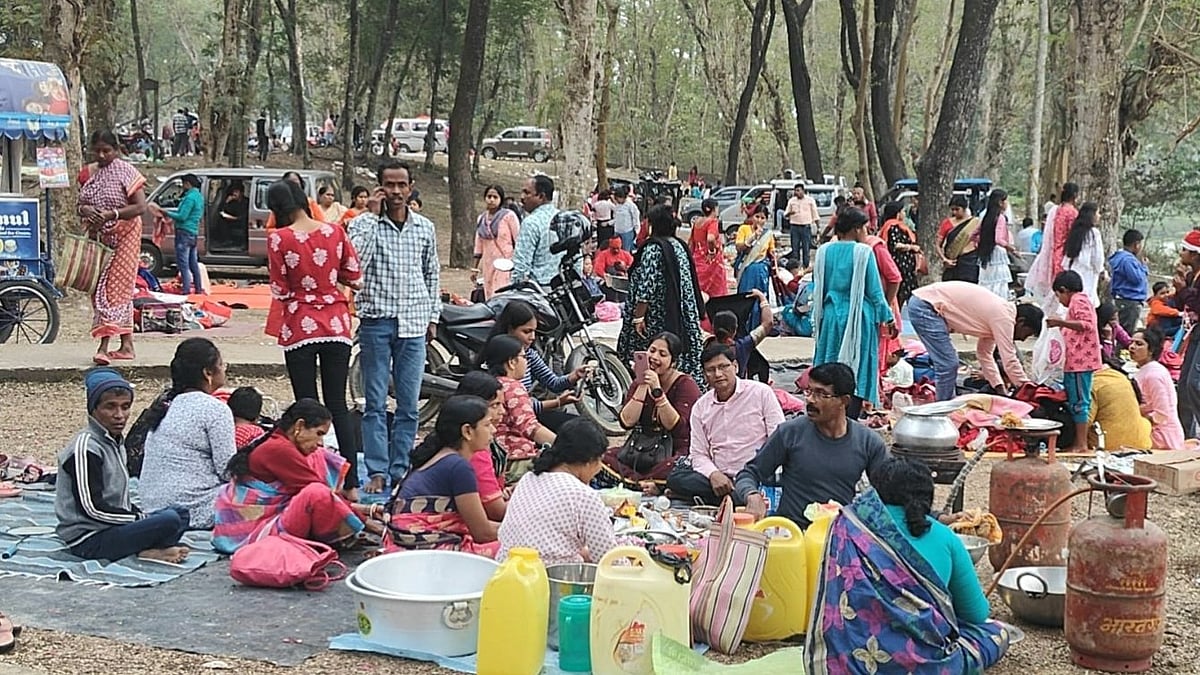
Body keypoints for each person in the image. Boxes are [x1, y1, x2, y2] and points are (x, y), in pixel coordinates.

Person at [805, 456, 1010, 673]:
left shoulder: (847, 527)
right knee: (996, 632)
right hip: (922, 664)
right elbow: (976, 614)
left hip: (849, 663)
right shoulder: (945, 537)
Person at [267, 180, 364, 499]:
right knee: (337, 402)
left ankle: (311, 482)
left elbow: (280, 289)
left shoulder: (279, 239)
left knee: (306, 405)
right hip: (336, 323)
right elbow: (355, 276)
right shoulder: (335, 231)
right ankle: (351, 485)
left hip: (299, 327)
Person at [348, 161, 440, 494]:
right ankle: (376, 469)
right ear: (380, 187)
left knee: (409, 404)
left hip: (414, 323)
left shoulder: (424, 228)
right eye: (390, 185)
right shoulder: (362, 224)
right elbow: (355, 265)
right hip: (376, 321)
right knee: (373, 402)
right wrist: (372, 216)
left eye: (402, 185)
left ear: (411, 185)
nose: (397, 192)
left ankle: (400, 467)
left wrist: (433, 316)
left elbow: (432, 274)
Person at [213, 400, 386, 554]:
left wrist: (365, 510)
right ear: (299, 426)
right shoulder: (279, 449)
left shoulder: (282, 443)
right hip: (255, 529)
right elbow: (321, 494)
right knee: (316, 492)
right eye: (319, 434)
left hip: (273, 517)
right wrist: (371, 526)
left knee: (320, 457)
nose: (320, 442)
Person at [55, 368, 190, 563]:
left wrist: (137, 516)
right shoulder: (85, 448)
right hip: (88, 538)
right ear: (93, 409)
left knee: (180, 513)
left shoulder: (116, 442)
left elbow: (119, 499)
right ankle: (146, 550)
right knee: (169, 520)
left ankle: (145, 549)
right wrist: (138, 519)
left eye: (125, 407)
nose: (119, 415)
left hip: (115, 526)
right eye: (110, 407)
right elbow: (91, 509)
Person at [738, 363, 889, 526]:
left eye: (821, 394)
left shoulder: (868, 442)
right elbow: (749, 474)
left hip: (839, 533)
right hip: (792, 532)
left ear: (844, 401)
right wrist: (752, 495)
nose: (810, 399)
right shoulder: (790, 432)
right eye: (808, 391)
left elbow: (888, 492)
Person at [665, 344, 784, 506]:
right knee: (676, 478)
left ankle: (728, 498)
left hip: (756, 474)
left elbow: (778, 439)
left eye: (723, 367)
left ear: (735, 366)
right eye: (711, 370)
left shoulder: (761, 393)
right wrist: (714, 474)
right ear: (704, 375)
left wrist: (756, 473)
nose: (718, 374)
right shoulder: (701, 407)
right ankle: (731, 498)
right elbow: (698, 454)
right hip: (721, 479)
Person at [137, 338, 237, 529]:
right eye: (222, 365)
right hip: (191, 509)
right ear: (208, 373)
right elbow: (228, 471)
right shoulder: (215, 409)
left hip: (152, 506)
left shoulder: (167, 403)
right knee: (266, 491)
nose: (225, 369)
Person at [388, 396, 500, 556]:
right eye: (488, 425)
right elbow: (483, 533)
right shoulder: (458, 467)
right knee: (523, 550)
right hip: (424, 550)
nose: (493, 430)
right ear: (467, 431)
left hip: (409, 544)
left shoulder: (443, 456)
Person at [498, 419, 617, 564]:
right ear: (589, 461)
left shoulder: (528, 479)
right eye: (600, 461)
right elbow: (610, 559)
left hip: (505, 569)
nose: (599, 468)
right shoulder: (583, 495)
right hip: (548, 578)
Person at [76, 129, 149, 366]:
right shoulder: (88, 173)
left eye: (107, 151)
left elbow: (140, 207)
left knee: (113, 289)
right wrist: (86, 211)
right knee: (98, 288)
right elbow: (81, 203)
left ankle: (104, 346)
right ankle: (127, 345)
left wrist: (113, 214)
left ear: (116, 150)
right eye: (97, 150)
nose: (102, 155)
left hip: (125, 235)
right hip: (99, 237)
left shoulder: (127, 172)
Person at [812, 207, 894, 410]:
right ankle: (851, 412)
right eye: (865, 228)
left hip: (830, 316)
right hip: (858, 319)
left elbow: (817, 286)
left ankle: (827, 409)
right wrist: (888, 318)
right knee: (857, 367)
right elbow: (875, 293)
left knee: (830, 363)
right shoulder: (863, 252)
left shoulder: (824, 252)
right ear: (857, 229)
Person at [617, 204, 707, 384]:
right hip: (682, 315)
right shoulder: (678, 245)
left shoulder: (653, 248)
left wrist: (638, 318)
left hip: (657, 317)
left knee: (649, 355)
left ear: (652, 225)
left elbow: (645, 289)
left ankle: (646, 393)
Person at [908, 281, 1043, 401]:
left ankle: (946, 405)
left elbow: (984, 354)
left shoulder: (999, 316)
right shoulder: (1004, 317)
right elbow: (1009, 359)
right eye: (1027, 333)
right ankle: (943, 411)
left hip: (925, 303)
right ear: (1021, 322)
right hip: (926, 306)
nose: (1023, 339)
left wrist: (1000, 388)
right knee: (948, 364)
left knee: (947, 364)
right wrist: (1027, 387)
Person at [602, 332, 702, 490]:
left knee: (678, 468)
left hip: (674, 449)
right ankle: (642, 483)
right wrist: (642, 386)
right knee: (601, 457)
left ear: (673, 362)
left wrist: (657, 391)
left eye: (662, 354)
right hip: (640, 448)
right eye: (652, 350)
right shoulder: (639, 382)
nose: (654, 357)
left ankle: (634, 482)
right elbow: (626, 422)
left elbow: (677, 428)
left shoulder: (686, 384)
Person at [485, 301, 588, 430]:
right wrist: (557, 402)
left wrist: (575, 376)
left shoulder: (529, 354)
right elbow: (518, 408)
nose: (532, 337)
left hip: (528, 414)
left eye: (534, 331)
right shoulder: (497, 363)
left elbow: (553, 383)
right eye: (527, 331)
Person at [480, 335, 556, 484]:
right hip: (516, 460)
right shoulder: (513, 387)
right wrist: (564, 445)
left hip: (495, 457)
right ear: (512, 362)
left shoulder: (488, 384)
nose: (526, 362)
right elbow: (530, 427)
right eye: (524, 357)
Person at [1047, 270, 1102, 452]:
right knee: (1075, 400)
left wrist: (1060, 323)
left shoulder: (1079, 300)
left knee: (1080, 402)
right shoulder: (1077, 303)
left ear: (1064, 290)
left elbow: (1086, 324)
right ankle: (1077, 442)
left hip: (1081, 362)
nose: (1059, 300)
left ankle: (1081, 444)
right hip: (1074, 362)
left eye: (1058, 295)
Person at [455, 371, 510, 521]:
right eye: (495, 405)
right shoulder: (474, 451)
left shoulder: (455, 438)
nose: (502, 412)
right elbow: (496, 513)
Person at [1130, 328, 1186, 449]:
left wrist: (1139, 421)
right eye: (1132, 342)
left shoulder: (1154, 375)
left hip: (1163, 437)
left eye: (1139, 344)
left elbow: (1162, 413)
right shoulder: (1146, 370)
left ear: (1151, 350)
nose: (1132, 347)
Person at [150, 173, 205, 295]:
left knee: (183, 264)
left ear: (188, 184)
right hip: (193, 232)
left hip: (184, 233)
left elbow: (182, 216)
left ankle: (186, 290)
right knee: (193, 263)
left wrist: (166, 212)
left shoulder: (189, 198)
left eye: (184, 184)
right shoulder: (199, 197)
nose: (183, 187)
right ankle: (198, 288)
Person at [1086, 362, 1153, 450]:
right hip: (1141, 441)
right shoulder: (1121, 377)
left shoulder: (1094, 384)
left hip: (1107, 443)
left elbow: (1086, 420)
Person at [708, 289, 773, 380]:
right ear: (735, 330)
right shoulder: (743, 345)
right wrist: (762, 298)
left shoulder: (704, 343)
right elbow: (768, 323)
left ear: (713, 327)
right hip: (738, 391)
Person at [511, 175, 562, 285]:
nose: (522, 197)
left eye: (527, 193)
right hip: (563, 293)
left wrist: (516, 287)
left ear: (541, 196)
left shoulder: (531, 223)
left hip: (537, 292)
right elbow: (577, 261)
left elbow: (521, 265)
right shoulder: (564, 219)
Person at [473, 184, 521, 298]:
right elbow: (478, 245)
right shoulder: (481, 219)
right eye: (489, 196)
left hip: (505, 262)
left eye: (495, 197)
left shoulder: (509, 216)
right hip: (488, 263)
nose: (491, 200)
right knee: (488, 293)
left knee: (500, 293)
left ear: (501, 199)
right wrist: (474, 269)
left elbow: (518, 239)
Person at [733, 204, 776, 329]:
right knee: (745, 296)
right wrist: (753, 237)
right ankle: (743, 325)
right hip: (747, 269)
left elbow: (771, 253)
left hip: (761, 270)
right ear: (752, 216)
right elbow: (739, 247)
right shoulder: (744, 229)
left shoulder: (768, 234)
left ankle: (758, 325)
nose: (759, 220)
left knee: (760, 298)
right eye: (757, 216)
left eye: (763, 218)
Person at [1062, 202, 1106, 307]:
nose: (1099, 216)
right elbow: (1098, 259)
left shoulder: (1075, 231)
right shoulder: (1094, 233)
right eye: (1098, 213)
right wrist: (1102, 271)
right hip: (1088, 274)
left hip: (1074, 271)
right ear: (1092, 215)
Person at [974, 189, 1014, 299]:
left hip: (986, 253)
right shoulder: (1000, 218)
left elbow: (973, 234)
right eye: (1006, 201)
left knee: (986, 282)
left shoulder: (986, 217)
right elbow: (998, 239)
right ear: (1000, 203)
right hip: (998, 253)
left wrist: (979, 243)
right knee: (999, 283)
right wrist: (1009, 247)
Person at [881, 201, 921, 307]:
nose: (904, 214)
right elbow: (896, 245)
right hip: (901, 266)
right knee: (903, 295)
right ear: (897, 213)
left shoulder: (895, 226)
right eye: (902, 211)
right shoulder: (893, 226)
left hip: (905, 266)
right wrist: (911, 247)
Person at [1110, 229, 1149, 335]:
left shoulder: (1120, 256)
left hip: (1123, 299)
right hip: (1129, 301)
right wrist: (1144, 267)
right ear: (1136, 244)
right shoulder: (1128, 260)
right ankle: (1122, 352)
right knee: (1126, 334)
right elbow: (1137, 279)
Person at [690, 198, 728, 301]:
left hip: (697, 259)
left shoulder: (697, 221)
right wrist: (712, 251)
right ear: (712, 209)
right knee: (715, 293)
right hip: (710, 262)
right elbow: (710, 238)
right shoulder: (712, 222)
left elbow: (691, 242)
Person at [936, 195, 979, 283]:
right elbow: (937, 244)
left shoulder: (975, 223)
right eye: (952, 209)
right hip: (952, 263)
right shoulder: (947, 223)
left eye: (957, 209)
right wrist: (944, 259)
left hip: (970, 263)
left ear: (964, 208)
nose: (954, 212)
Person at [784, 185, 820, 268]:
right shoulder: (792, 201)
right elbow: (785, 214)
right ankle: (795, 267)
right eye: (795, 191)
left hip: (806, 227)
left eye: (798, 190)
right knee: (795, 247)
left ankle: (805, 266)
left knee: (806, 248)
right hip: (794, 227)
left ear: (803, 191)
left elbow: (815, 214)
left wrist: (818, 227)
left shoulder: (810, 200)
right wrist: (790, 213)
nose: (796, 192)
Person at [1050, 182, 1080, 279]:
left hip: (1055, 251)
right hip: (1065, 254)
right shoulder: (1072, 212)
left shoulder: (1058, 209)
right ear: (1075, 195)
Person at [611, 185, 641, 255]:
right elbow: (616, 217)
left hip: (627, 231)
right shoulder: (617, 205)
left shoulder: (630, 205)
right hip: (617, 230)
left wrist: (637, 229)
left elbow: (635, 217)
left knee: (625, 252)